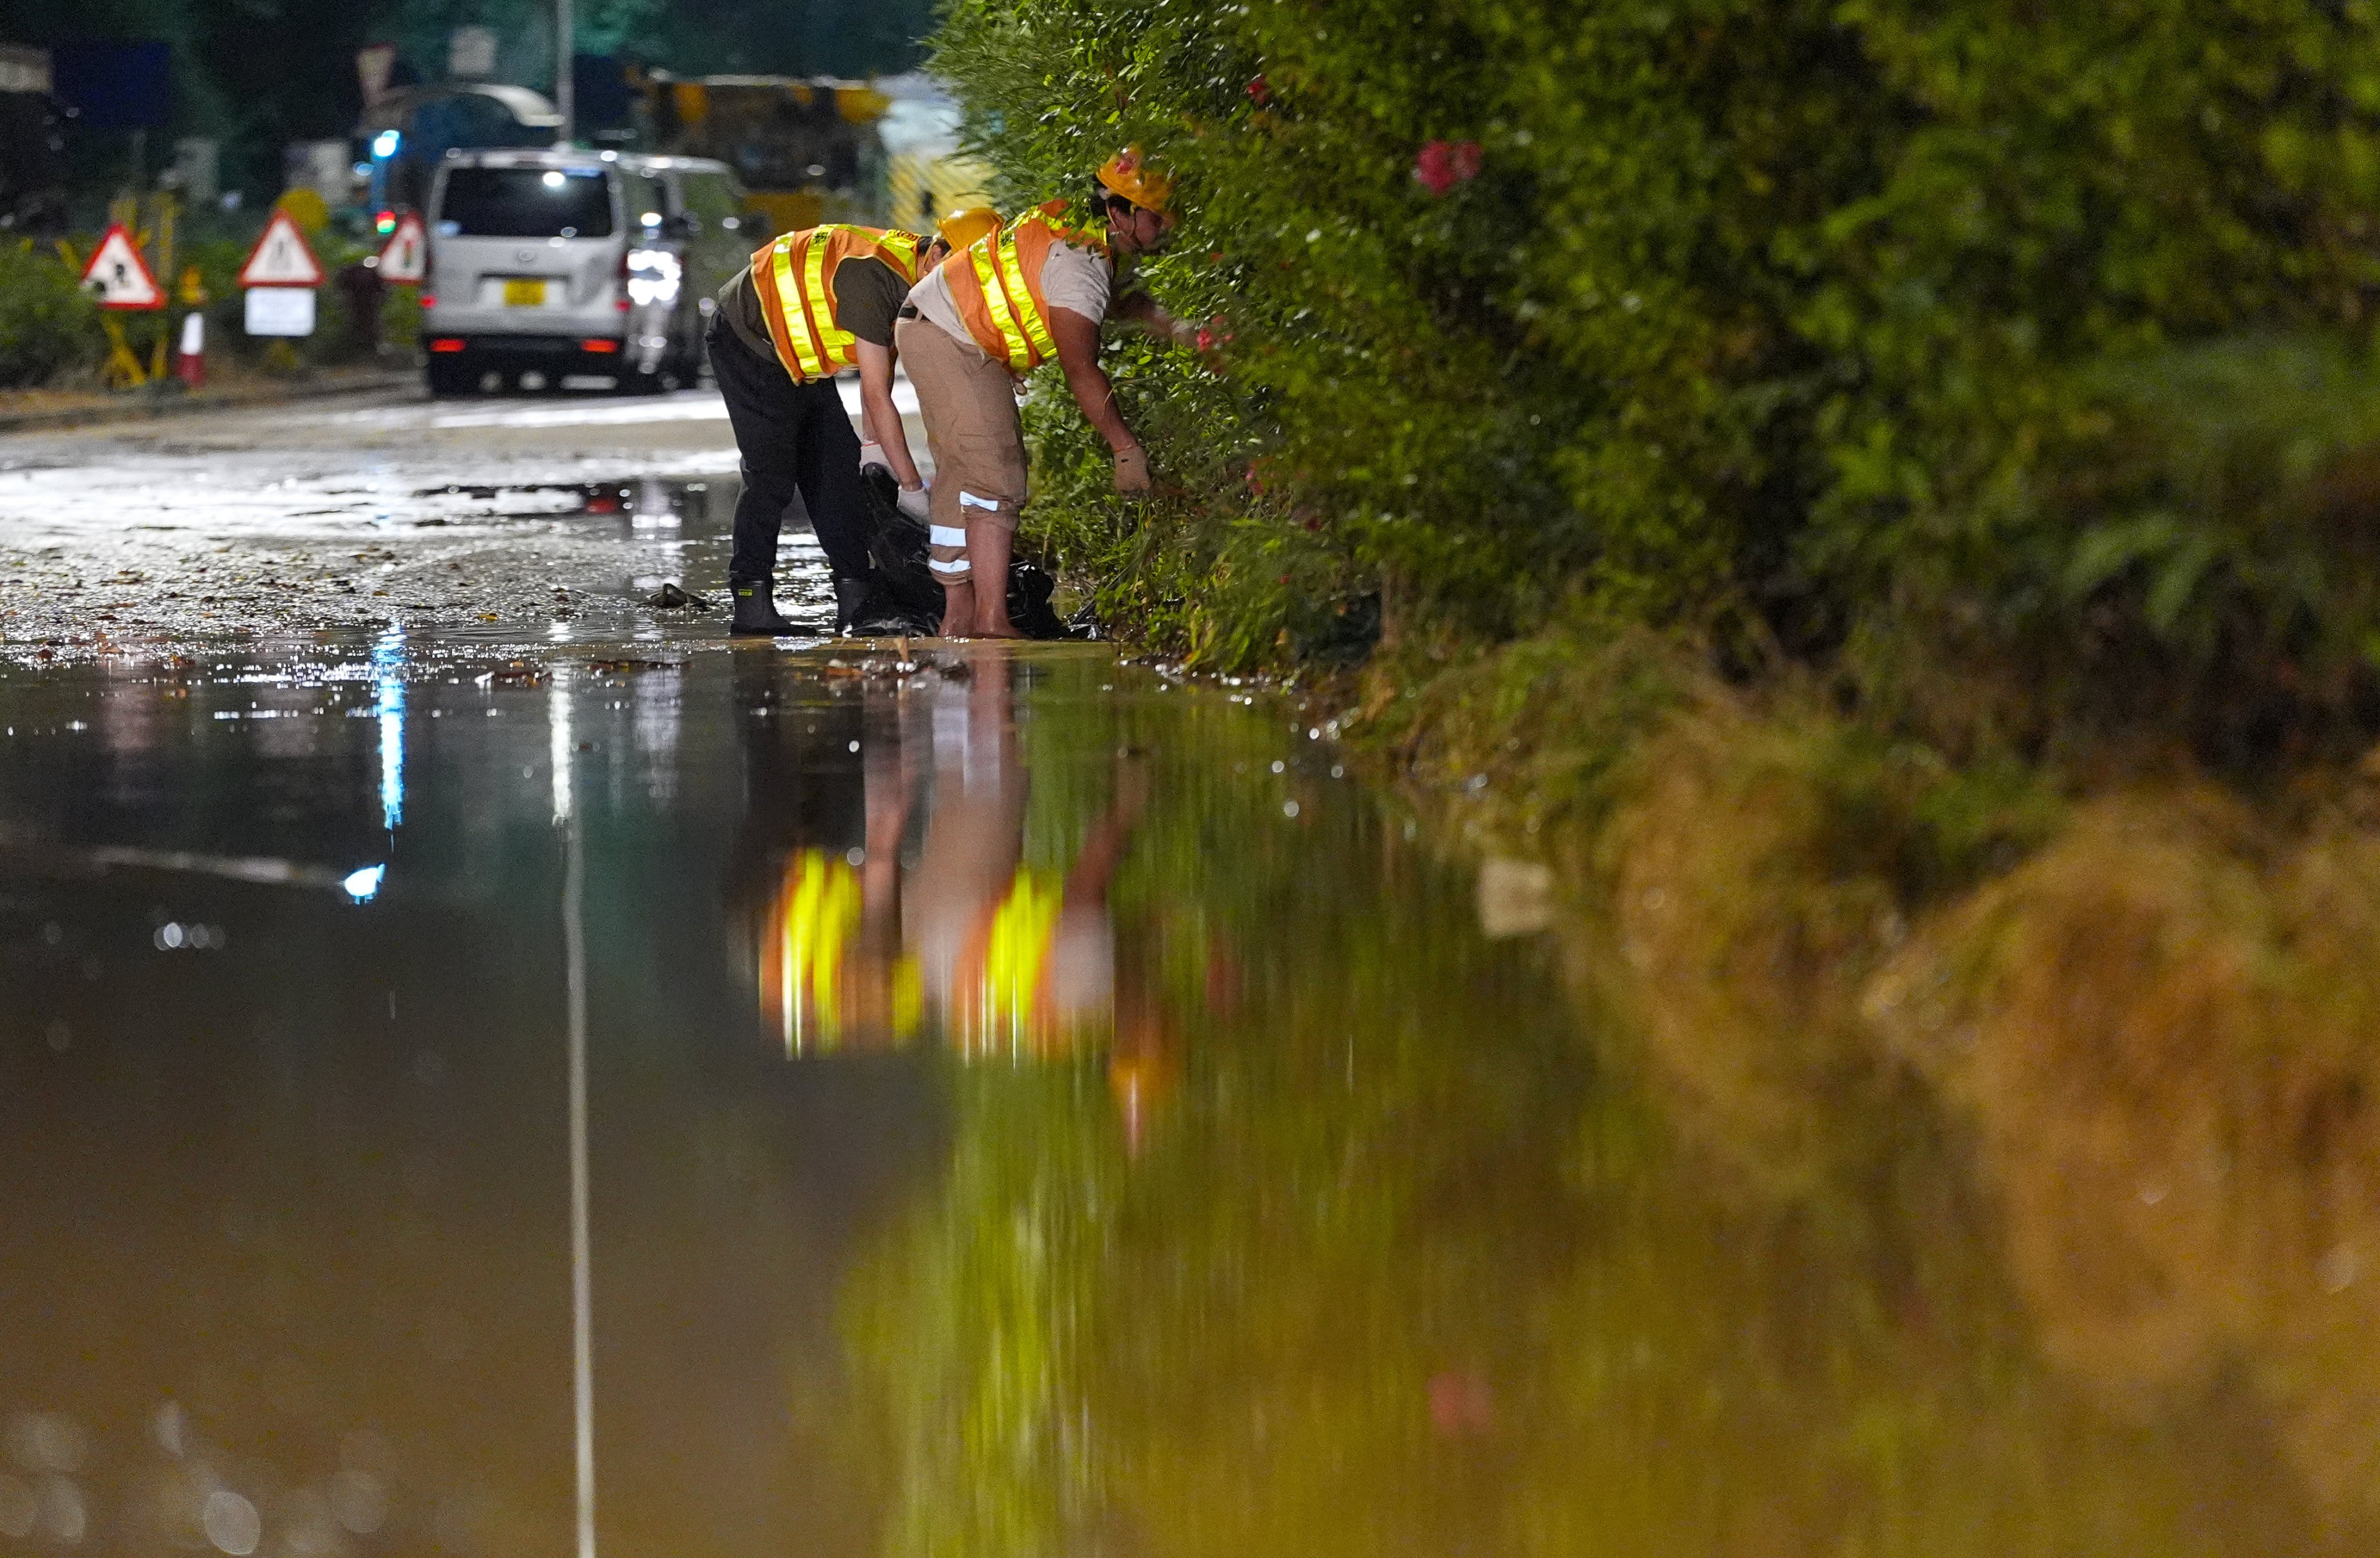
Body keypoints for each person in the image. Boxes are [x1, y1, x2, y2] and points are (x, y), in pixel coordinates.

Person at [896, 149, 1199, 637]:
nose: (1168, 227)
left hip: (934, 326)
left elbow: (1111, 302)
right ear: (1119, 213)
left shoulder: (1076, 228)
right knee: (998, 473)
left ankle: (960, 617)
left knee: (964, 475)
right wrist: (1125, 449)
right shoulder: (1081, 262)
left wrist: (1171, 325)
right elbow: (1081, 368)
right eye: (1157, 218)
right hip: (951, 338)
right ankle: (992, 620)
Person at [709, 209, 1001, 637]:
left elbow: (883, 382)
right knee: (771, 474)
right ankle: (751, 600)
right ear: (936, 253)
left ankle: (856, 597)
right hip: (749, 337)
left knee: (837, 469)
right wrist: (911, 486)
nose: (957, 291)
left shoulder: (918, 282)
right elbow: (877, 393)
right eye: (956, 276)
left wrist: (873, 456)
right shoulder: (876, 278)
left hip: (799, 353)